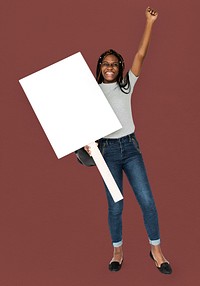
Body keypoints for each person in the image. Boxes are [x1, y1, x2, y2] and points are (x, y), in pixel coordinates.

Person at [85, 7, 172, 274]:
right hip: (107, 152)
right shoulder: (90, 91)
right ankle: (117, 250)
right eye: (105, 63)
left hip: (130, 148)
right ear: (99, 68)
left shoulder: (127, 85)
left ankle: (156, 249)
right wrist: (86, 142)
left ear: (120, 68)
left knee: (147, 200)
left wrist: (149, 22)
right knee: (116, 205)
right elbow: (78, 121)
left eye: (114, 63)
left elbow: (141, 54)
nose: (110, 67)